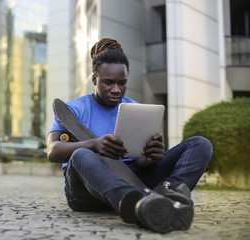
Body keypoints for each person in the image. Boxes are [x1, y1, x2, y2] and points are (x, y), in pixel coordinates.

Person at [47, 38, 213, 233]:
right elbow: (53, 151)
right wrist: (94, 144)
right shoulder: (74, 109)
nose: (116, 89)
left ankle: (170, 193)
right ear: (94, 79)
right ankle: (138, 203)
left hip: (132, 178)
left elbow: (140, 163)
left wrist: (152, 157)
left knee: (200, 144)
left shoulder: (135, 109)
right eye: (108, 83)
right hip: (86, 192)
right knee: (81, 155)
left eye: (122, 83)